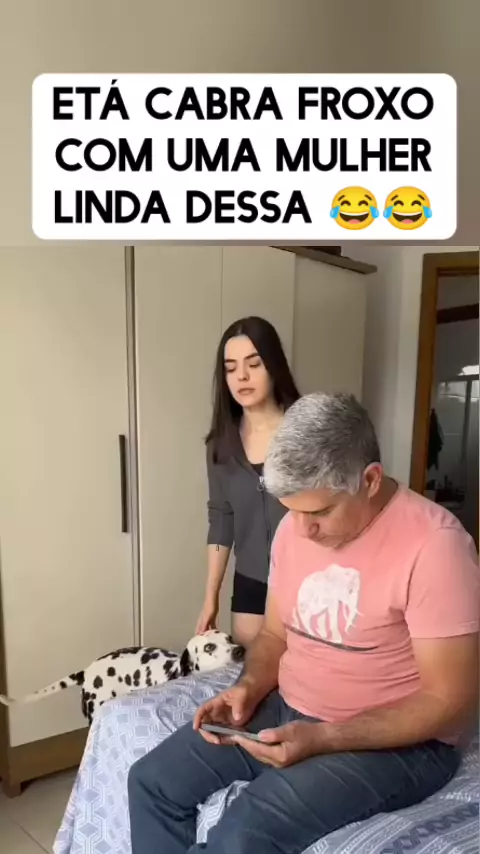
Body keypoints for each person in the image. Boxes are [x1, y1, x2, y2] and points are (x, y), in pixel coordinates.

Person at [128, 393, 480, 854]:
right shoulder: (293, 530)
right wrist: (248, 687)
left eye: (319, 512)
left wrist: (324, 737)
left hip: (401, 743)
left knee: (243, 832)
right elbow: (275, 635)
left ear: (370, 480)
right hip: (290, 706)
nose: (302, 529)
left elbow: (448, 701)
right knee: (152, 783)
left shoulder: (437, 546)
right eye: (292, 510)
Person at [196, 316, 300, 646]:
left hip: (308, 580)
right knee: (253, 671)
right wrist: (210, 597)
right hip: (251, 582)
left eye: (253, 364)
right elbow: (221, 520)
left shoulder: (306, 429)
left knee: (308, 671)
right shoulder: (221, 445)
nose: (241, 376)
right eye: (231, 368)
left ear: (273, 366)